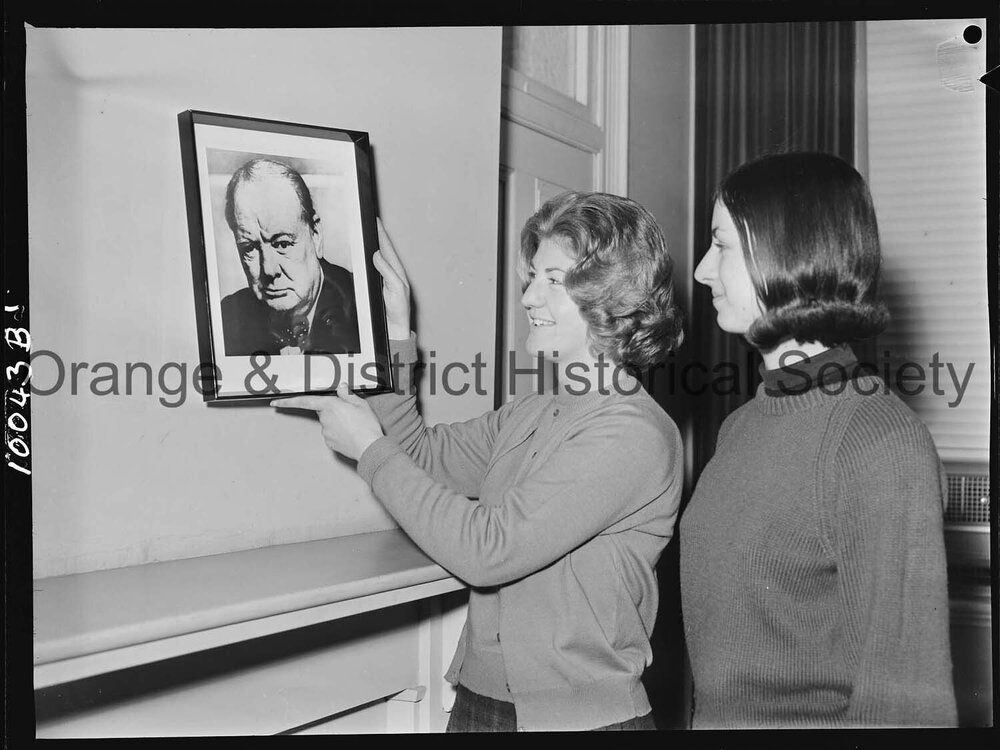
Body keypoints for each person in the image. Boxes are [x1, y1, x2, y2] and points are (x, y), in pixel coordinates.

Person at [274, 192, 685, 731]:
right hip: (481, 701)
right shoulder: (535, 409)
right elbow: (421, 456)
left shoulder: (633, 432)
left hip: (579, 722)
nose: (530, 297)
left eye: (553, 280)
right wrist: (397, 334)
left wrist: (369, 450)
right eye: (532, 277)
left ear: (613, 293)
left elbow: (487, 549)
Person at [682, 151, 957, 728]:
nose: (703, 270)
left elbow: (908, 704)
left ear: (789, 252)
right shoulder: (744, 425)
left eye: (722, 245)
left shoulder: (878, 443)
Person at [220, 158, 361, 356]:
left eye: (283, 244)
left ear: (316, 235)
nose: (269, 269)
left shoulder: (362, 308)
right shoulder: (227, 319)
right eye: (249, 247)